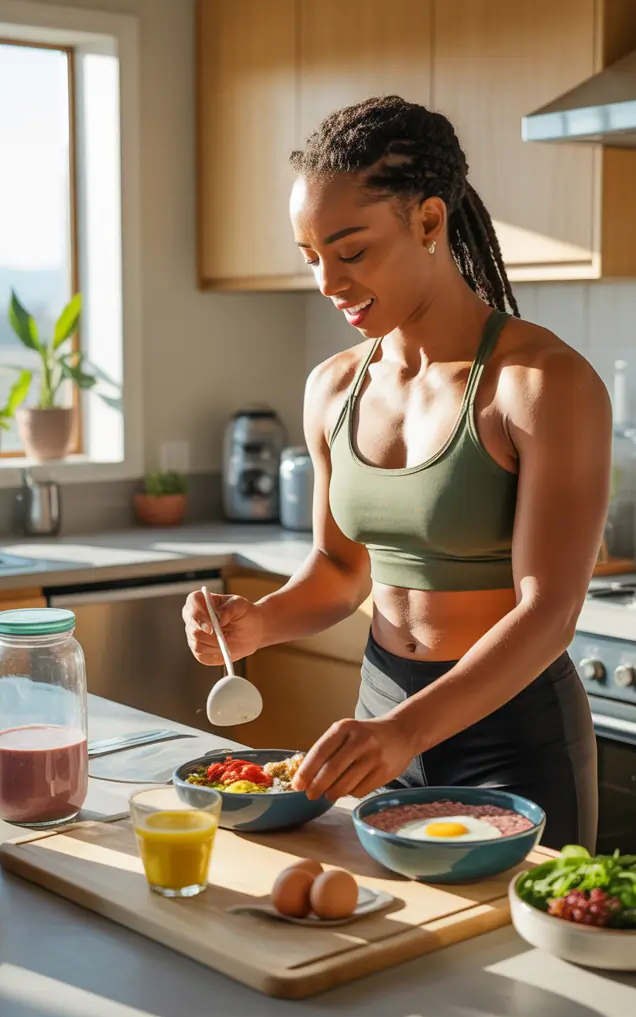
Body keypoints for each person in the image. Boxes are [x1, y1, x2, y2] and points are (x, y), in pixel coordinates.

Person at [184, 95, 610, 851]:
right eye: (311, 257)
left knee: (512, 963)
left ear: (428, 222)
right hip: (380, 713)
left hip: (509, 733)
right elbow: (339, 571)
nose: (327, 283)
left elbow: (549, 614)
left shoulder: (542, 384)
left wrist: (403, 730)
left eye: (350, 252)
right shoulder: (332, 388)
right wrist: (257, 622)